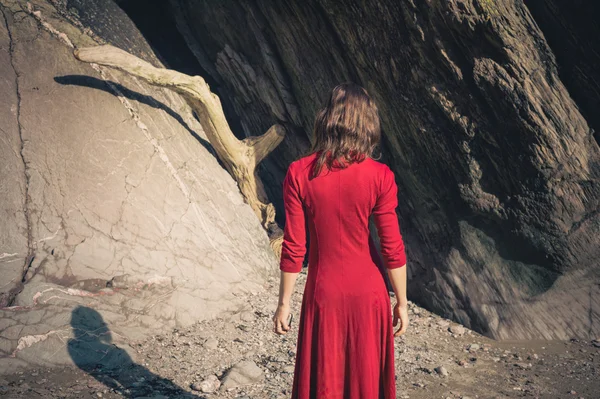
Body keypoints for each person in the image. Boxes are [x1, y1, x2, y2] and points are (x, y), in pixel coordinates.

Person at [272, 82, 409, 399]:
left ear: (327, 119)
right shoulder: (381, 176)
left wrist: (284, 303)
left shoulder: (298, 173)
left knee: (324, 385)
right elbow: (392, 247)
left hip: (324, 295)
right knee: (366, 386)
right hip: (369, 295)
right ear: (367, 125)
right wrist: (401, 302)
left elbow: (295, 247)